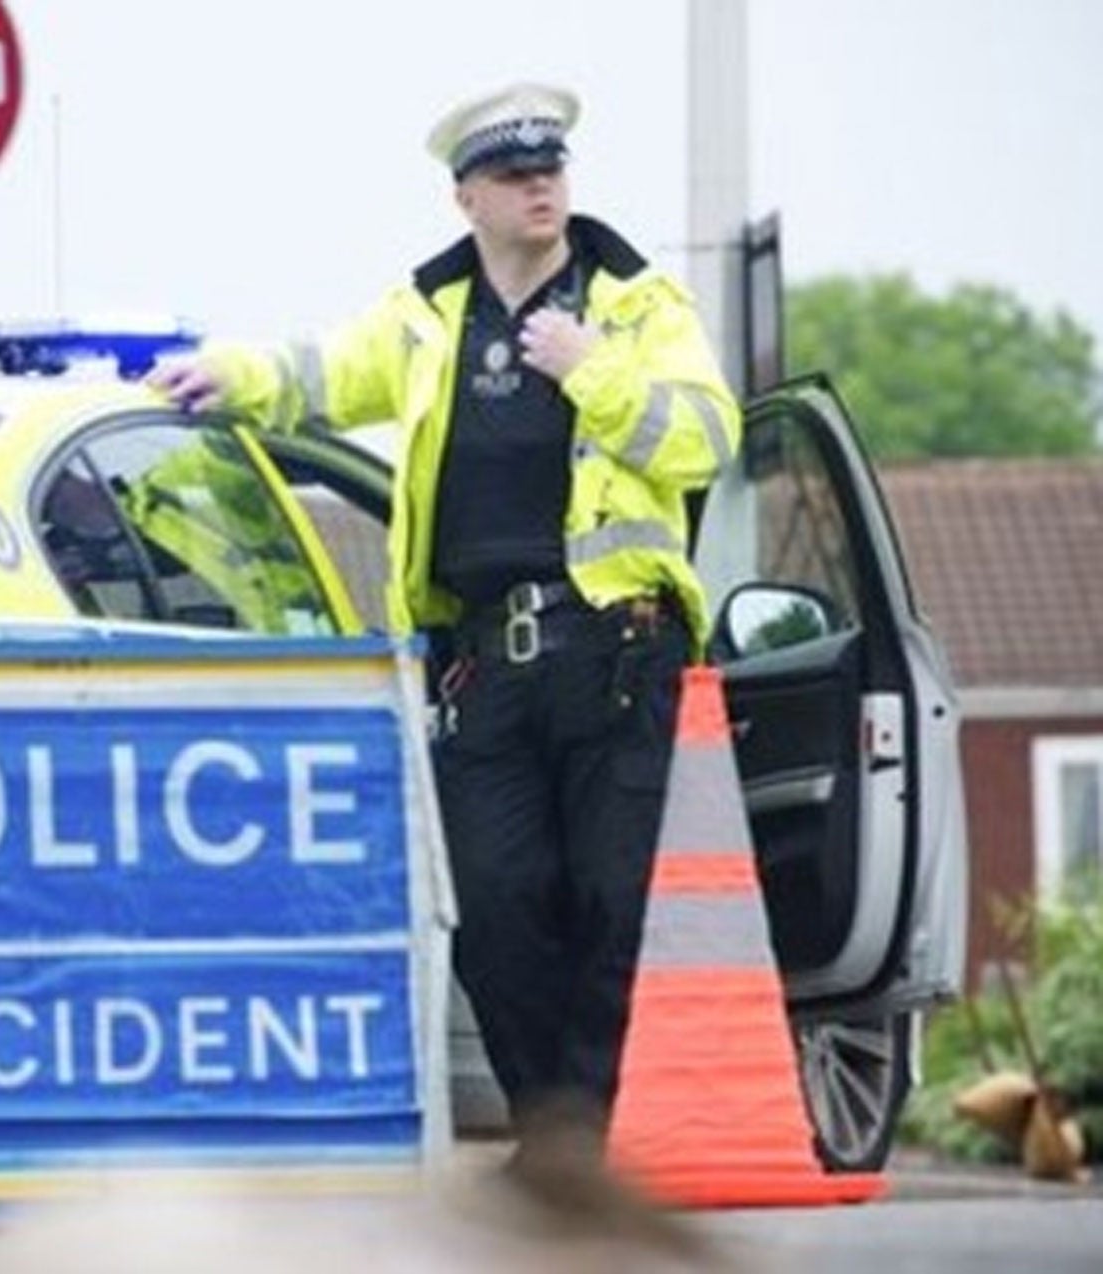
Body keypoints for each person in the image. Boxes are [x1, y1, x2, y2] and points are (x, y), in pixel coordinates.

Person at [149, 82, 741, 1150]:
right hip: (481, 664)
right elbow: (316, 375)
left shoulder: (637, 306)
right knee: (500, 910)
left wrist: (593, 374)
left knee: (611, 906)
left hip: (615, 647)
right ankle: (553, 1130)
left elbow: (703, 435)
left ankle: (571, 1151)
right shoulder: (429, 318)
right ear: (465, 195)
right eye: (514, 176)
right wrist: (222, 370)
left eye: (550, 170)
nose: (538, 189)